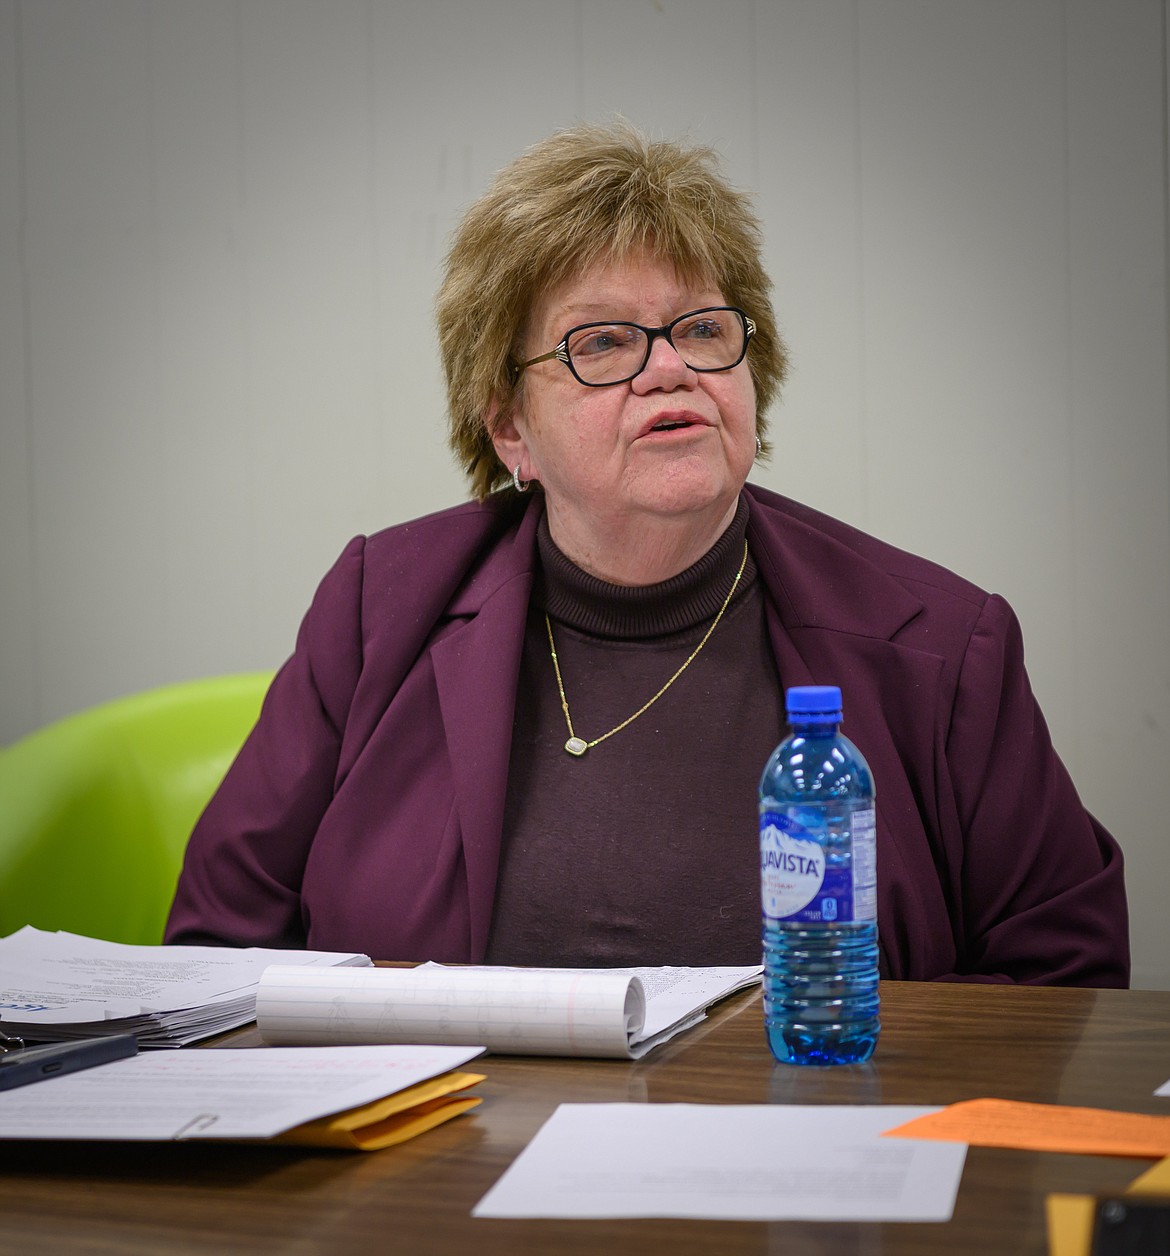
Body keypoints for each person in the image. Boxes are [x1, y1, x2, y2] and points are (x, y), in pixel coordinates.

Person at [166, 121, 1129, 986]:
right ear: (509, 429)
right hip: (434, 1160)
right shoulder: (379, 608)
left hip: (819, 1150)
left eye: (702, 330)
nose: (669, 367)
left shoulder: (942, 646)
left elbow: (1068, 981)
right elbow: (214, 952)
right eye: (603, 342)